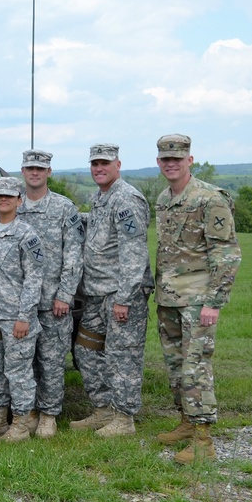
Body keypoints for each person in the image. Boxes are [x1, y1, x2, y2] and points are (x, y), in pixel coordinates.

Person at [153, 134, 241, 464]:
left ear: (190, 160)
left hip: (197, 300)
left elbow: (227, 254)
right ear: (159, 162)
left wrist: (213, 303)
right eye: (165, 158)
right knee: (176, 366)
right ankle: (187, 423)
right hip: (170, 299)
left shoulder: (209, 199)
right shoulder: (163, 198)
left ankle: (204, 440)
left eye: (177, 158)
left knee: (196, 367)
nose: (171, 163)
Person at [71, 143, 153, 437]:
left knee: (122, 357)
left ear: (118, 165)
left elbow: (134, 253)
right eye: (94, 164)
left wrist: (125, 298)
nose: (98, 168)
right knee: (85, 350)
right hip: (96, 293)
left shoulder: (126, 199)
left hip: (121, 296)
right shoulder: (99, 198)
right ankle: (103, 410)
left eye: (104, 163)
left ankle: (124, 419)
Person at [14, 149, 84, 438]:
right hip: (21, 302)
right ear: (23, 171)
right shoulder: (13, 206)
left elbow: (74, 255)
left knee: (52, 361)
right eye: (30, 168)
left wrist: (65, 294)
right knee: (24, 361)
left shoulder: (64, 208)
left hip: (54, 299)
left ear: (49, 173)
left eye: (40, 169)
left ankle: (49, 415)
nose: (35, 173)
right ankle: (28, 411)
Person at [0, 176, 43, 442]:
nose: (3, 199)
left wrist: (25, 316)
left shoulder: (27, 234)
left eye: (9, 196)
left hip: (15, 317)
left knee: (18, 372)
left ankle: (21, 424)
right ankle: (0, 419)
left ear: (19, 200)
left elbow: (34, 277)